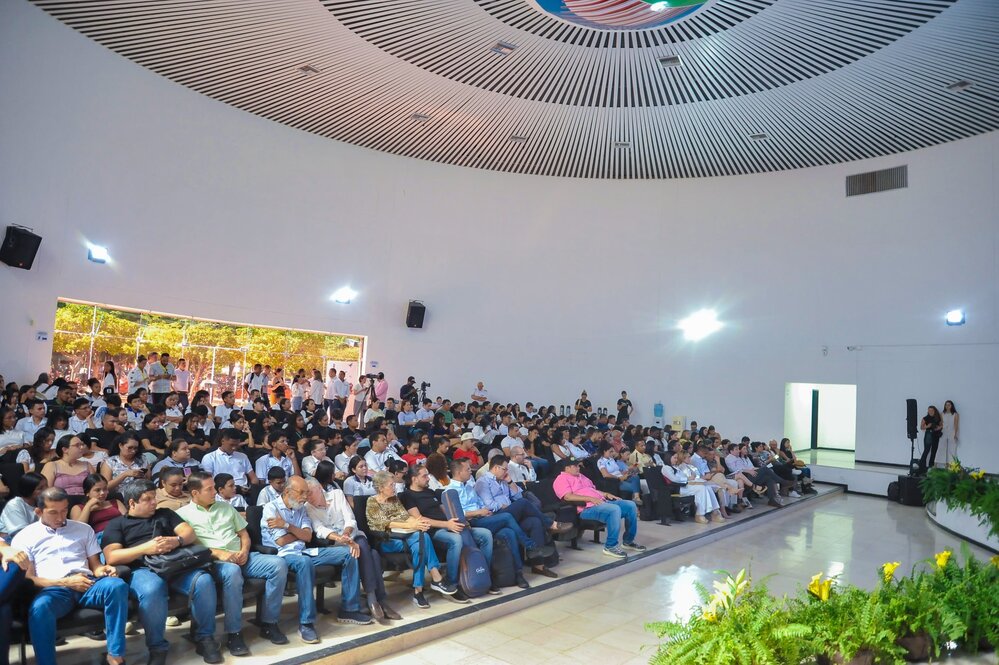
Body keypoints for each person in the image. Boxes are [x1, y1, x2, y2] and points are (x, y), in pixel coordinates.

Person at [103, 480, 223, 664]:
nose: (154, 503)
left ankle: (204, 638)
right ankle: (157, 647)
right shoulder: (117, 524)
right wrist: (145, 548)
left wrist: (177, 541)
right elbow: (112, 557)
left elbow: (189, 533)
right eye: (148, 499)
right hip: (142, 569)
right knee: (153, 589)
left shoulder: (165, 514)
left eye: (154, 498)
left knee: (204, 581)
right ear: (132, 503)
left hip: (174, 565)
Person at [178, 471, 292, 654]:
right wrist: (218, 554)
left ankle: (269, 623)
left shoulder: (225, 507)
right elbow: (188, 547)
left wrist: (245, 550)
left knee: (278, 564)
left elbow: (244, 534)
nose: (214, 492)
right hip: (214, 562)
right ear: (195, 493)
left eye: (214, 487)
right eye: (209, 489)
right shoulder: (182, 515)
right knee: (232, 571)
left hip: (241, 555)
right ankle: (234, 633)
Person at [12, 487, 129, 665]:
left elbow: (95, 566)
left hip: (87, 583)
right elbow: (30, 579)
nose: (60, 518)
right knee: (39, 608)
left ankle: (115, 655)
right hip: (54, 588)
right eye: (53, 513)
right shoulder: (25, 537)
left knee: (117, 585)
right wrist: (66, 582)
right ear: (38, 511)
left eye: (64, 510)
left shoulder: (83, 529)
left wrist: (104, 570)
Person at [260, 476, 372, 643]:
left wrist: (286, 526)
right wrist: (298, 534)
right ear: (288, 491)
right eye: (302, 493)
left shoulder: (300, 508)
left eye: (307, 492)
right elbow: (280, 541)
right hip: (282, 556)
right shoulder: (271, 508)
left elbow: (307, 536)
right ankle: (306, 623)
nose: (305, 497)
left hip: (303, 552)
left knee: (348, 552)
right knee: (304, 563)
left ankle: (349, 608)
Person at [306, 462, 402, 621]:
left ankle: (374, 600)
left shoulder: (336, 494)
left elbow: (350, 519)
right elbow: (319, 529)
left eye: (309, 493)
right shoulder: (308, 507)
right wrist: (340, 539)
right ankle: (377, 600)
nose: (307, 498)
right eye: (305, 495)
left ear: (318, 489)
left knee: (362, 544)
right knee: (372, 554)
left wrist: (346, 534)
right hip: (337, 544)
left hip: (354, 535)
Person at [446, 458, 549, 587]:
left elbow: (481, 503)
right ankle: (529, 545)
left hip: (485, 517)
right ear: (458, 472)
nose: (470, 472)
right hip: (473, 522)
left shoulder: (468, 487)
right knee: (506, 516)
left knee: (509, 533)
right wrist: (478, 512)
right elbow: (456, 514)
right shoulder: (449, 491)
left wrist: (485, 510)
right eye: (467, 469)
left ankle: (518, 574)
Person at [401, 464, 494, 603]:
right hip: (434, 531)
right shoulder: (407, 496)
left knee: (485, 534)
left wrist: (460, 521)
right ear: (414, 479)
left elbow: (446, 511)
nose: (428, 478)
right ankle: (452, 583)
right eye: (424, 476)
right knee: (455, 540)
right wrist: (447, 524)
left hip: (450, 525)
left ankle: (482, 574)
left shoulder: (430, 492)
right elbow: (419, 519)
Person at [365, 470, 455, 609]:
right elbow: (386, 523)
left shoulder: (394, 499)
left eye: (394, 484)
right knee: (422, 539)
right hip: (387, 540)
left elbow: (405, 516)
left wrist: (418, 522)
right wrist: (411, 525)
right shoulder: (372, 501)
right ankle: (434, 578)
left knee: (422, 539)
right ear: (381, 487)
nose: (394, 487)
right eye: (391, 485)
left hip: (405, 535)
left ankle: (418, 590)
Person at [552, 458, 644, 559]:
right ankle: (610, 546)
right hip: (585, 508)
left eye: (578, 466)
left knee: (630, 505)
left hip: (601, 502)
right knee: (614, 509)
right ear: (567, 468)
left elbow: (593, 490)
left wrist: (606, 494)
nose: (578, 468)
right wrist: (590, 499)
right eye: (575, 466)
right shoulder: (561, 479)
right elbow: (568, 497)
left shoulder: (582, 476)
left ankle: (628, 541)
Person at [664, 451, 723, 523]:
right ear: (668, 458)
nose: (676, 460)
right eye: (674, 458)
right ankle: (700, 514)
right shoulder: (666, 468)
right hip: (679, 488)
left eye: (677, 458)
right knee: (701, 488)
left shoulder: (675, 467)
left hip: (686, 485)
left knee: (707, 487)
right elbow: (674, 479)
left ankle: (715, 511)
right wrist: (688, 479)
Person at [70, 474, 124, 542]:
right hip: (101, 537)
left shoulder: (116, 502)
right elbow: (79, 530)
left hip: (123, 531)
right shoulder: (78, 508)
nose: (102, 493)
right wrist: (88, 507)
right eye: (97, 490)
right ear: (87, 492)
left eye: (105, 489)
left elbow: (129, 520)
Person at [0, 472, 46, 538]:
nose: (46, 490)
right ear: (28, 490)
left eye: (46, 485)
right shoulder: (14, 505)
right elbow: (21, 535)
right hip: (10, 539)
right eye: (40, 488)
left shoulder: (42, 503)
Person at [919, 405, 943, 472]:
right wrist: (927, 426)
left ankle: (930, 466)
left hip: (936, 435)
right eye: (929, 410)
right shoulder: (925, 418)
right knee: (926, 450)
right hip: (929, 434)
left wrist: (939, 427)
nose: (930, 412)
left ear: (934, 411)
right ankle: (921, 466)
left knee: (934, 451)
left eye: (932, 410)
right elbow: (921, 427)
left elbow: (941, 425)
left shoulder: (938, 418)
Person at [941, 400, 960, 465]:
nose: (947, 406)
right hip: (943, 432)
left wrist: (955, 434)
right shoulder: (942, 414)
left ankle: (951, 465)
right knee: (942, 449)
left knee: (952, 449)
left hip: (952, 432)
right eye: (946, 405)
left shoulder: (955, 414)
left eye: (949, 405)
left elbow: (956, 425)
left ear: (952, 406)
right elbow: (941, 424)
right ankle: (944, 465)